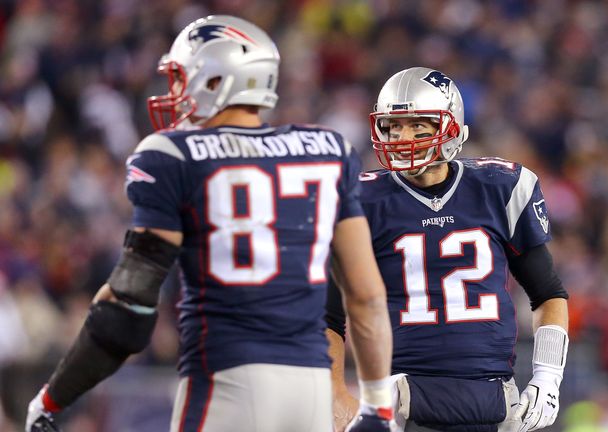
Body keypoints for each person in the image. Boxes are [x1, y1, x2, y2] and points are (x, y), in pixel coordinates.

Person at [25, 15, 393, 432]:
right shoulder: (329, 149)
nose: (175, 94)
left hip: (228, 382)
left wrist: (54, 396)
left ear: (216, 80)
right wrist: (377, 407)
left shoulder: (173, 155)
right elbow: (366, 297)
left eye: (181, 78)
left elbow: (130, 305)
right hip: (310, 391)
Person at [327, 67, 570, 432]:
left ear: (451, 126)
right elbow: (326, 315)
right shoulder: (361, 200)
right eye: (392, 126)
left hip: (492, 400)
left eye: (416, 126)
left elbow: (548, 293)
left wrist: (548, 377)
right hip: (400, 399)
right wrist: (334, 394)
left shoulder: (500, 187)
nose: (401, 137)